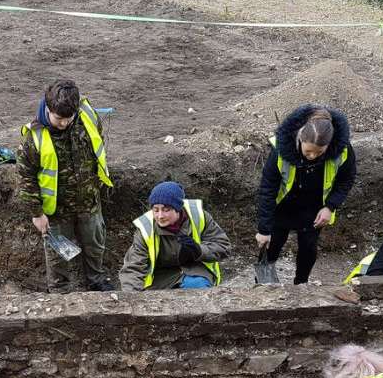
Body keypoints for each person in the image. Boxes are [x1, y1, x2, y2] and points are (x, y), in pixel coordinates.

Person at [17, 79, 114, 292]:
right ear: (48, 108)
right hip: (56, 210)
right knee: (57, 256)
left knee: (95, 246)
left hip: (89, 201)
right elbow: (26, 177)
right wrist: (36, 213)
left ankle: (97, 283)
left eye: (69, 118)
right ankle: (60, 291)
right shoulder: (35, 137)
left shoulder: (87, 116)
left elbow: (99, 144)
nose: (64, 123)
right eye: (59, 118)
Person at [256, 105, 356, 284]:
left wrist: (330, 207)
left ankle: (301, 284)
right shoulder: (280, 149)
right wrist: (263, 229)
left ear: (329, 144)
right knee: (272, 246)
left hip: (314, 208)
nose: (312, 156)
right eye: (308, 151)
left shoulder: (342, 150)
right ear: (300, 137)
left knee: (308, 249)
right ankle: (263, 282)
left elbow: (345, 181)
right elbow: (267, 189)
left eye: (319, 152)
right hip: (283, 206)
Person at [119, 181, 230, 290]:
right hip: (160, 277)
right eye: (156, 210)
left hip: (194, 270)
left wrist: (199, 250)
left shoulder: (199, 216)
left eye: (166, 210)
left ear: (178, 209)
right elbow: (133, 267)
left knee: (197, 287)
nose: (160, 216)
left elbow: (223, 246)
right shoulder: (145, 228)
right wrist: (131, 296)